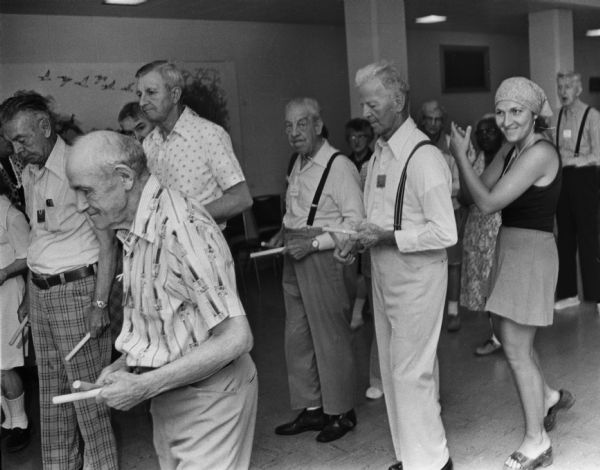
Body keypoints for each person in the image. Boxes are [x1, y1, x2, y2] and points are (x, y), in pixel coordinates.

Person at [67, 131, 258, 470]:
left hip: (210, 398)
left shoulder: (183, 228)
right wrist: (127, 365)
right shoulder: (134, 227)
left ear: (125, 177)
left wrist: (143, 385)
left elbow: (236, 337)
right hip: (171, 395)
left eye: (86, 191)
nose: (80, 204)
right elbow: (171, 319)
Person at [450, 76, 575, 470]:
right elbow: (472, 196)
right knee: (512, 340)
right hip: (510, 249)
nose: (506, 120)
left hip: (532, 254)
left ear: (534, 114)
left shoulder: (539, 152)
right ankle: (550, 397)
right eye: (501, 111)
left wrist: (456, 156)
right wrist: (468, 158)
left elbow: (485, 203)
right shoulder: (510, 149)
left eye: (516, 111)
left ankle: (537, 441)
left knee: (516, 349)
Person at [337, 60, 456, 470]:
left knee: (412, 373)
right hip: (384, 277)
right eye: (364, 105)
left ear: (399, 100)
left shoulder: (423, 158)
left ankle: (434, 461)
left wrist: (386, 237)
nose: (366, 114)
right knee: (391, 373)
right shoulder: (380, 154)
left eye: (373, 105)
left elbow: (446, 233)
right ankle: (410, 457)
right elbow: (376, 217)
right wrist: (355, 242)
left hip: (418, 279)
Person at [0, 91, 118, 470]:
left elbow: (107, 242)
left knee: (87, 395)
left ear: (45, 127)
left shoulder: (78, 167)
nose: (16, 150)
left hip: (77, 291)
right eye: (11, 142)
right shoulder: (31, 170)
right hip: (41, 293)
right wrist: (29, 296)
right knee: (51, 396)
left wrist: (100, 304)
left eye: (22, 139)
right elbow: (39, 235)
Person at [267, 97, 364, 443]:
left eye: (302, 124)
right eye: (289, 126)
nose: (294, 133)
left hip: (323, 257)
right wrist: (283, 231)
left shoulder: (339, 166)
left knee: (330, 338)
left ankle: (341, 412)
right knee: (297, 337)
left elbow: (354, 224)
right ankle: (312, 409)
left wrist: (311, 244)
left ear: (319, 125)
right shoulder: (298, 162)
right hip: (294, 254)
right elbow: (298, 209)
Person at [136, 60, 252, 223]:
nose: (142, 102)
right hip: (164, 247)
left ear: (175, 95)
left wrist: (186, 217)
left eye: (151, 92)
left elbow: (241, 199)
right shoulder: (149, 143)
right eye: (139, 94)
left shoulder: (208, 134)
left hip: (203, 245)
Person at [553, 71, 600, 312]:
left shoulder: (592, 116)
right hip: (563, 181)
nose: (563, 92)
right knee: (565, 237)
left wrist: (572, 161)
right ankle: (568, 293)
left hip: (584, 178)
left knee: (589, 237)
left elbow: (598, 155)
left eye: (568, 87)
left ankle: (597, 295)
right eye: (560, 86)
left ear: (578, 89)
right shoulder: (558, 115)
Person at [344, 117, 383, 400]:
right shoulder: (350, 165)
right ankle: (378, 377)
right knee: (380, 320)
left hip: (382, 242)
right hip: (359, 240)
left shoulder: (377, 163)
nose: (357, 141)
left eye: (362, 136)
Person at [419, 100, 466, 332]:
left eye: (438, 120)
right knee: (425, 262)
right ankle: (429, 312)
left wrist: (434, 193)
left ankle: (453, 310)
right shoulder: (415, 143)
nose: (434, 124)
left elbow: (460, 183)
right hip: (422, 216)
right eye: (430, 119)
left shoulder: (450, 144)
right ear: (423, 119)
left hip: (450, 210)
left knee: (453, 263)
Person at [459, 115, 503, 356]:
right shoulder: (475, 161)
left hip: (501, 231)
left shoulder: (509, 160)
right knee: (485, 289)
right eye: (480, 132)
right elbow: (465, 198)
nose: (484, 136)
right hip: (478, 231)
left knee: (501, 286)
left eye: (490, 131)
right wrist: (462, 158)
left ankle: (505, 337)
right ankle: (496, 335)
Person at [0, 177, 30, 453]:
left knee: (5, 363)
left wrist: (4, 272)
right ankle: (8, 422)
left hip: (8, 294)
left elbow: (28, 255)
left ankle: (21, 422)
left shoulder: (10, 214)